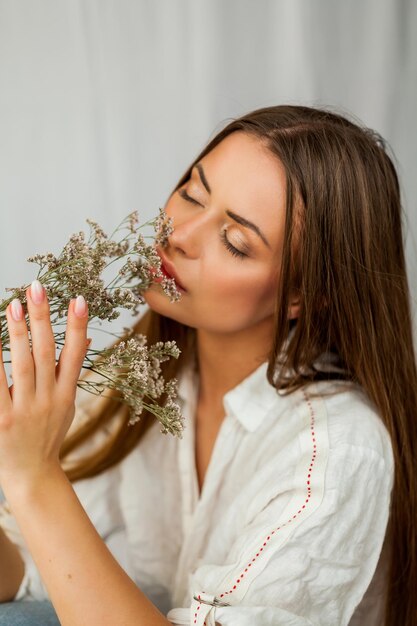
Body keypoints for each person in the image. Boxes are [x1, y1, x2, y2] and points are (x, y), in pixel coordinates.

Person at [0, 105, 416, 626]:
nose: (181, 234)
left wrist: (35, 476)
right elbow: (27, 568)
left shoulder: (334, 451)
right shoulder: (136, 379)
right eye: (193, 193)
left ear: (301, 296)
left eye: (235, 241)